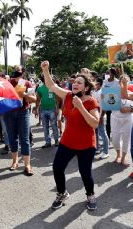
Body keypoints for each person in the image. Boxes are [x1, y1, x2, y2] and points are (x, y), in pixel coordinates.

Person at [41, 61, 100, 210]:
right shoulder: (68, 96)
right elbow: (51, 86)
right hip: (68, 140)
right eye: (74, 82)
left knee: (85, 172)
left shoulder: (91, 101)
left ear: (86, 88)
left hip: (86, 144)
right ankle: (62, 193)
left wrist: (80, 106)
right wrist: (46, 70)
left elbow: (95, 123)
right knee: (57, 167)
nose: (75, 84)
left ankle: (90, 194)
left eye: (79, 83)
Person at [4, 65, 37, 176]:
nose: (15, 72)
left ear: (23, 72)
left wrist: (24, 95)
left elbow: (34, 99)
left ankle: (27, 165)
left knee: (25, 138)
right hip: (9, 113)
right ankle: (15, 162)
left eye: (18, 70)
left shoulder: (27, 83)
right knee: (12, 138)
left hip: (23, 112)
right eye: (15, 70)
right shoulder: (8, 82)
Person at [34, 75, 59, 148]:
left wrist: (57, 108)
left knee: (54, 125)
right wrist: (36, 109)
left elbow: (57, 99)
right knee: (45, 127)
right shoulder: (40, 88)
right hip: (43, 109)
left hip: (52, 109)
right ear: (43, 80)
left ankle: (56, 140)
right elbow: (38, 99)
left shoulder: (54, 87)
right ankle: (48, 142)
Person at [92, 78, 110, 159]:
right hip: (95, 116)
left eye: (95, 83)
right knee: (95, 133)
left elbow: (105, 105)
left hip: (101, 116)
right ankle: (98, 148)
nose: (93, 84)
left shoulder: (102, 92)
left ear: (99, 84)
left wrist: (102, 116)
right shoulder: (93, 92)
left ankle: (106, 152)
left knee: (103, 133)